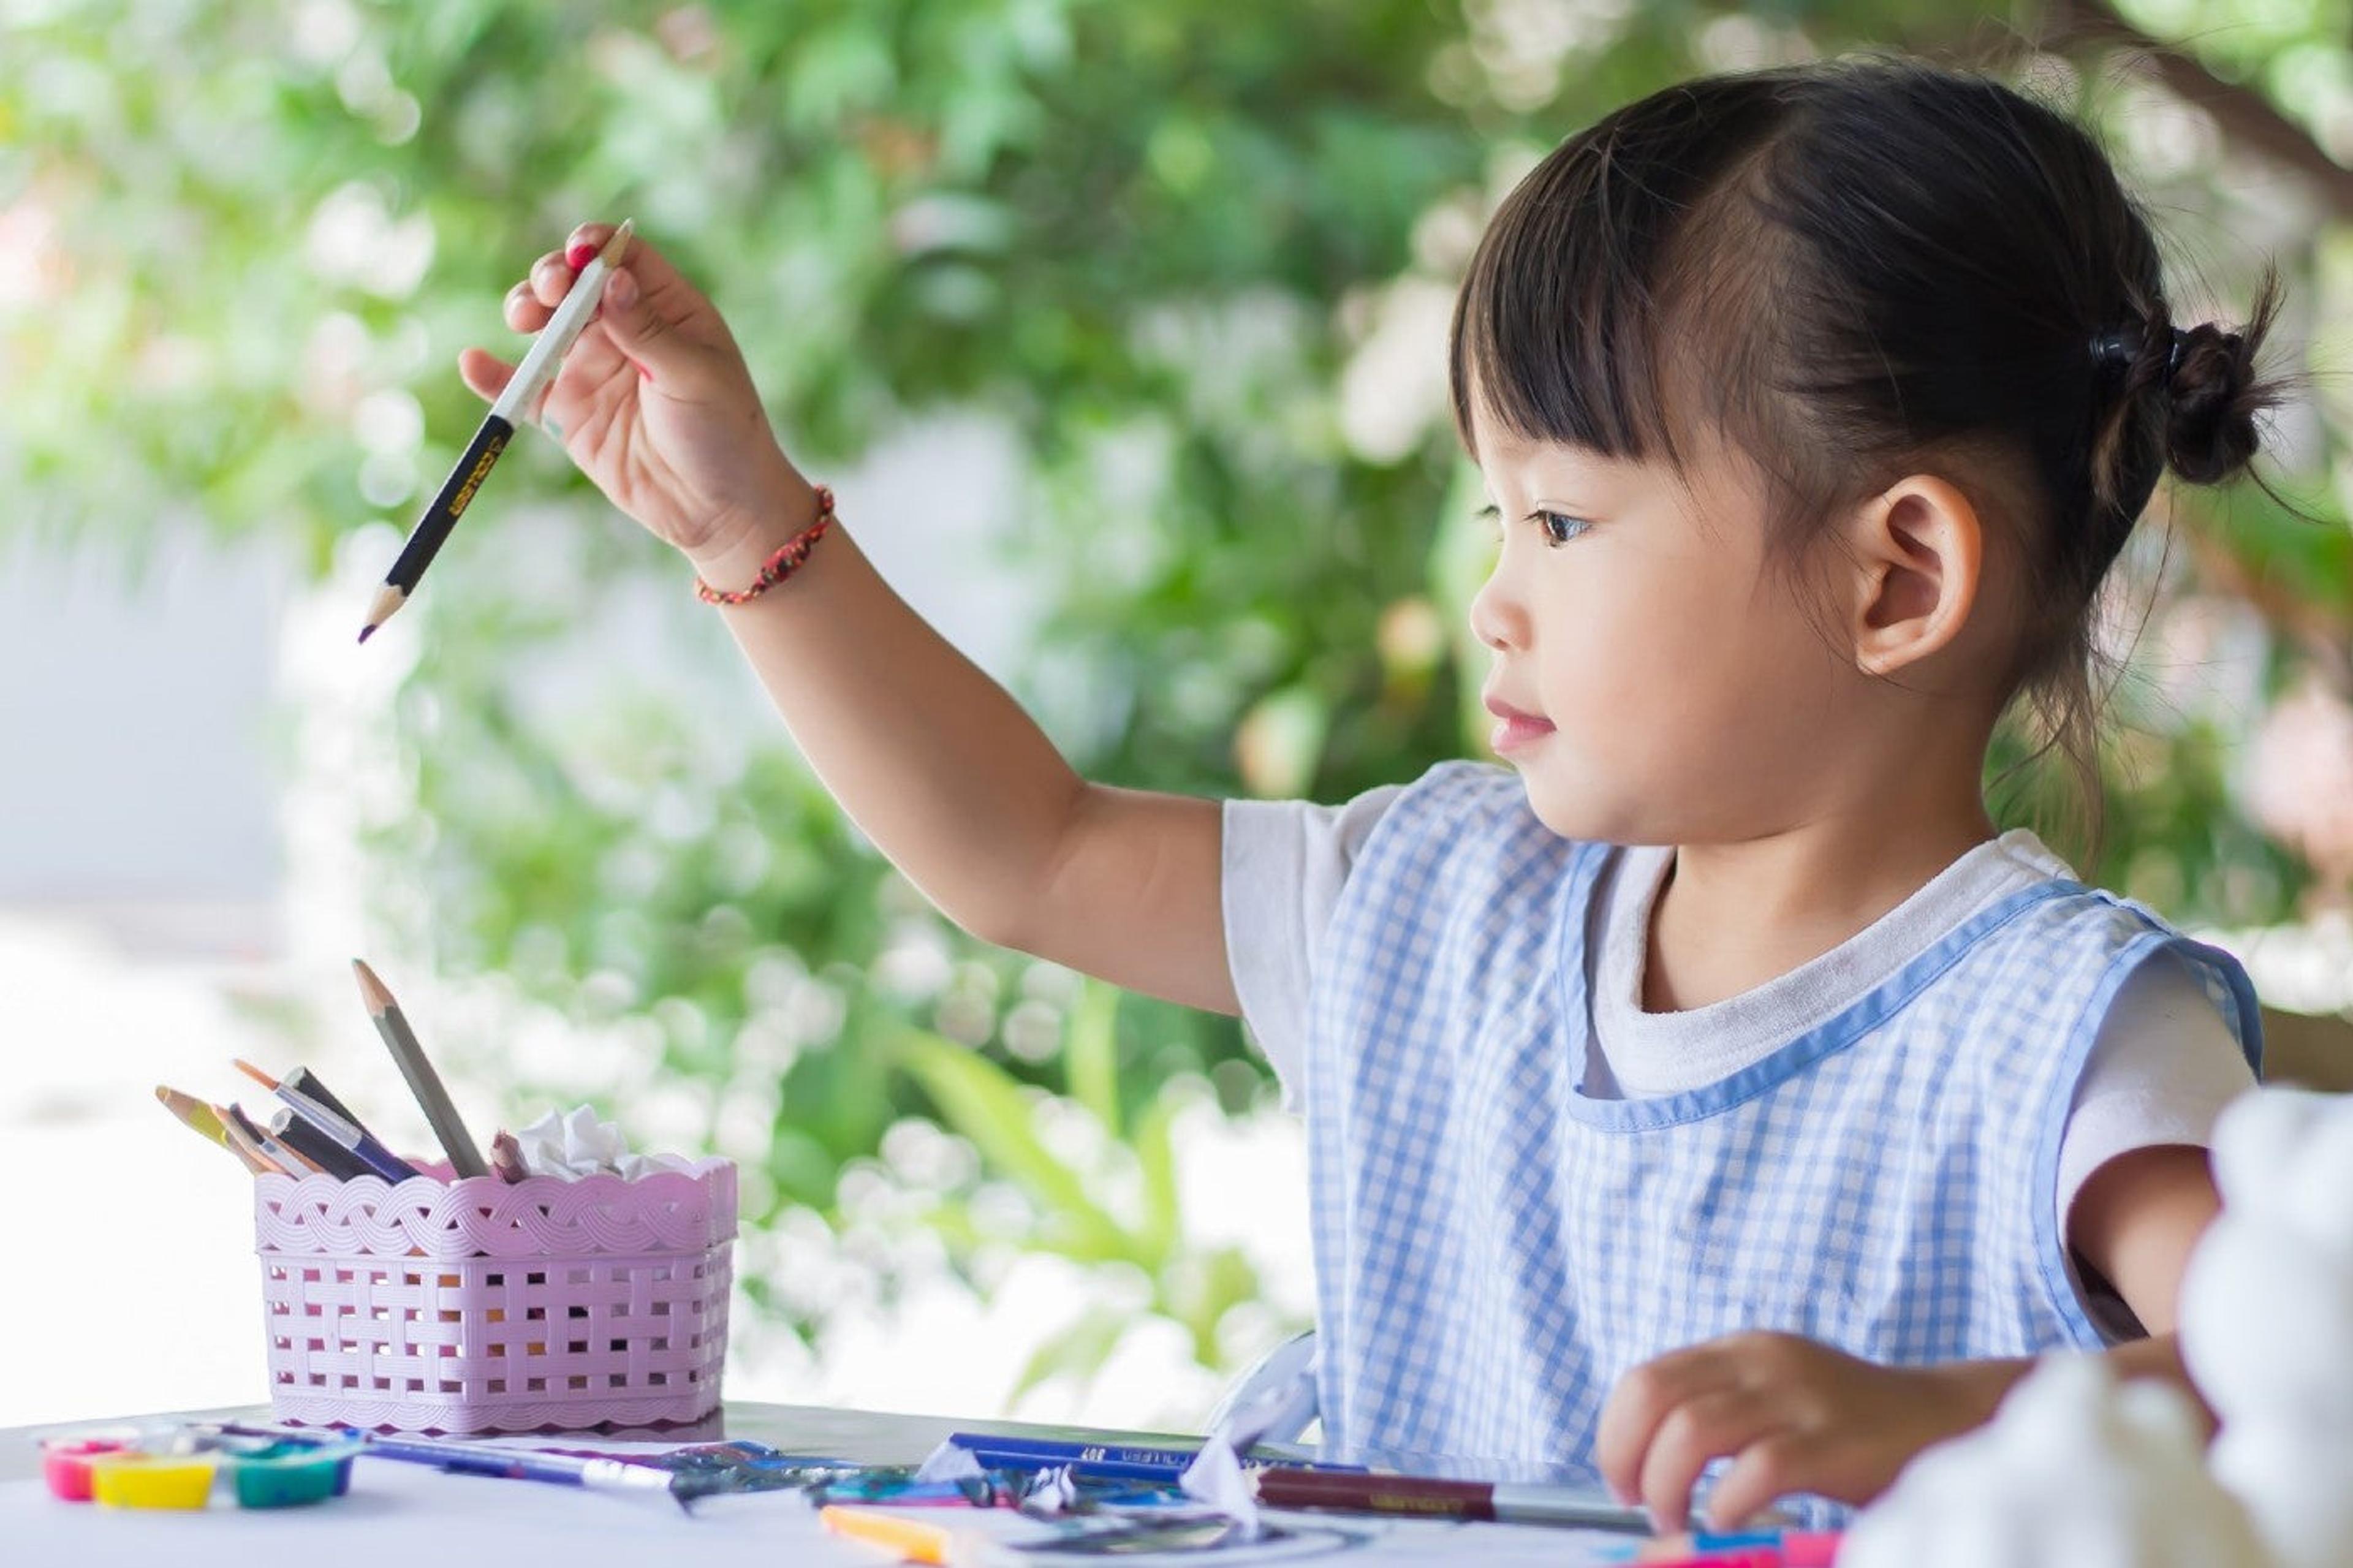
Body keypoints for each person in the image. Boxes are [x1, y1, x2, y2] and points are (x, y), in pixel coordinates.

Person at [460, 55, 2286, 1531]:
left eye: (1563, 518)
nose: (1496, 588)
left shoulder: (2061, 1037)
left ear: (1895, 581)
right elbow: (1033, 852)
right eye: (1500, 513)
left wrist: (1945, 1418)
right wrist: (745, 523)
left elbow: (2296, 1355)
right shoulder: (1438, 904)